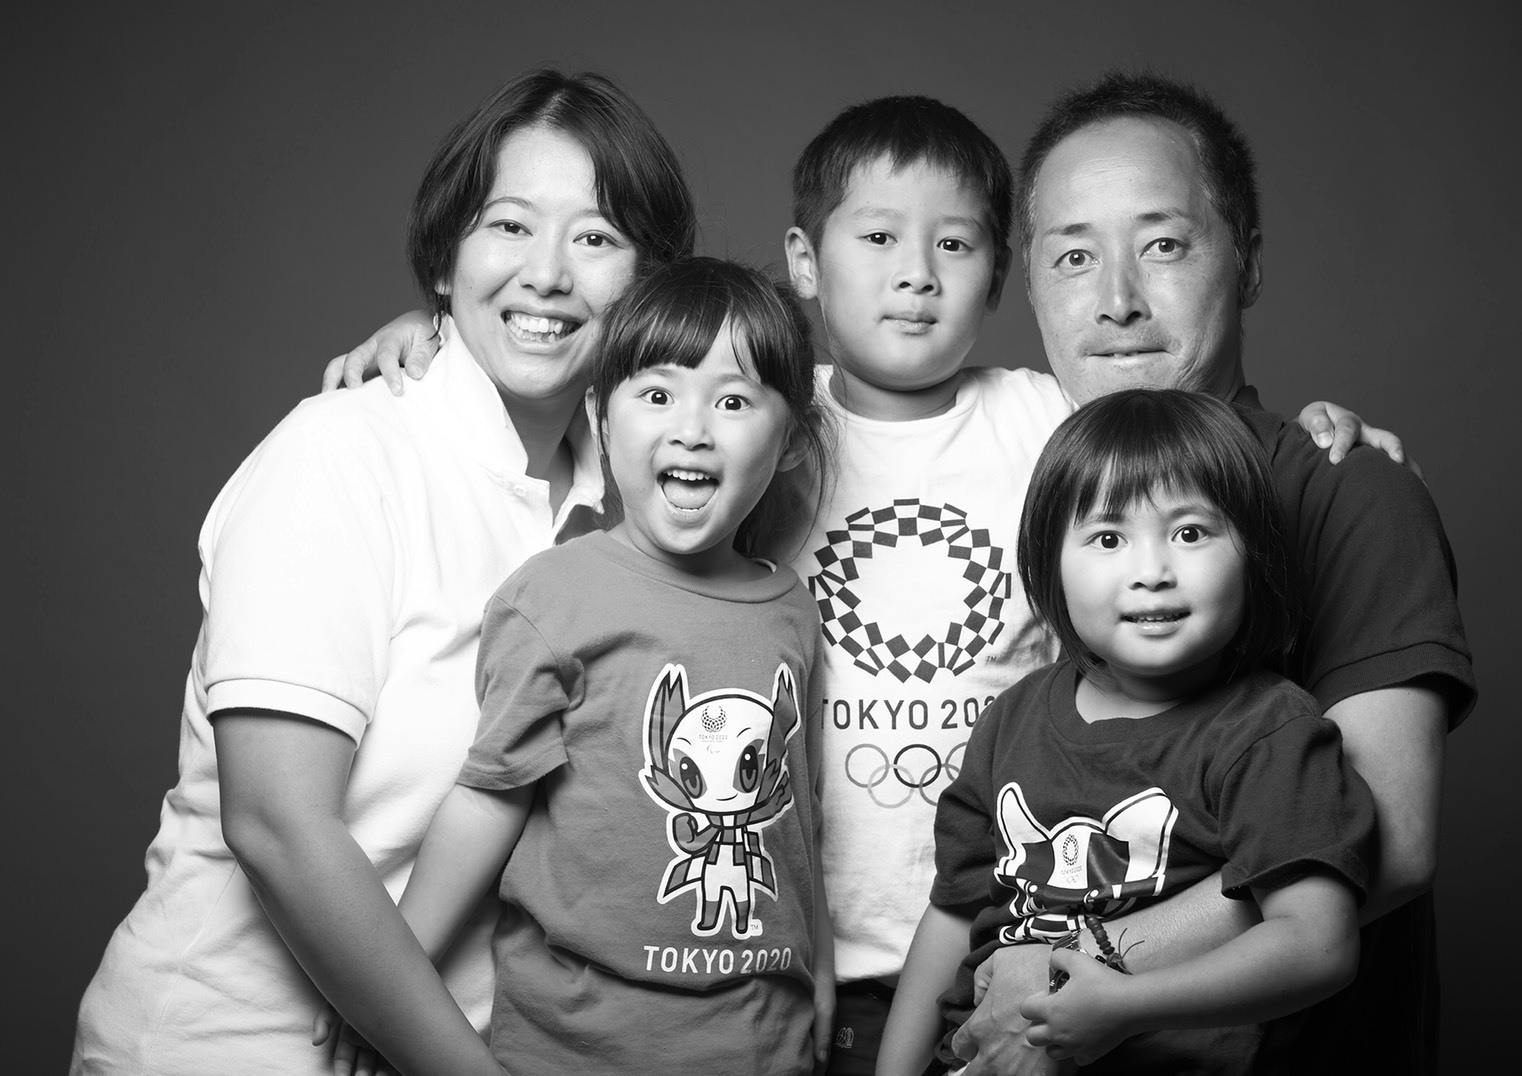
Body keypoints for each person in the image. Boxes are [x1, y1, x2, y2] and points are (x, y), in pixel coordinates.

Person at [323, 93, 1406, 1076]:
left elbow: (1178, 461)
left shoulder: (1046, 415)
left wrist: (1308, 438)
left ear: (999, 273)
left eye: (954, 244)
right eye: (878, 238)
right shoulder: (757, 409)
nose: (915, 274)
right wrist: (440, 338)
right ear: (805, 260)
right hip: (792, 974)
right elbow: (629, 384)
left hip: (997, 950)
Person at [69, 69, 696, 1076]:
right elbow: (277, 824)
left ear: (648, 284)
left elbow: (825, 403)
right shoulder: (342, 455)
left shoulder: (631, 500)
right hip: (235, 1044)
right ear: (445, 259)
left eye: (596, 237)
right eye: (508, 226)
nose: (547, 273)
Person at [955, 73, 1475, 1075]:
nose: (1116, 301)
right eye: (1073, 257)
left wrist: (1072, 966)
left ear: (1248, 262)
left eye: (1162, 245)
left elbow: (1394, 845)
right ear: (1031, 286)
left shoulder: (1341, 489)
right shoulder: (1036, 488)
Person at [323, 256, 835, 1074]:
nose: (692, 428)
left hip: (763, 1045)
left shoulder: (792, 610)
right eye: (657, 395)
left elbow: (800, 818)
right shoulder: (555, 597)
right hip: (577, 1045)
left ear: (792, 440)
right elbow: (488, 799)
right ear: (599, 414)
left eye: (734, 402)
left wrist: (821, 973)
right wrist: (389, 987)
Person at [880, 388, 1376, 1075]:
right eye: (1108, 539)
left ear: (1254, 553)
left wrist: (1125, 1006)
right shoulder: (1011, 720)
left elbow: (1318, 945)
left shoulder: (1270, 734)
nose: (1152, 573)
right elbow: (953, 914)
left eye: (1191, 533)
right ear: (1049, 560)